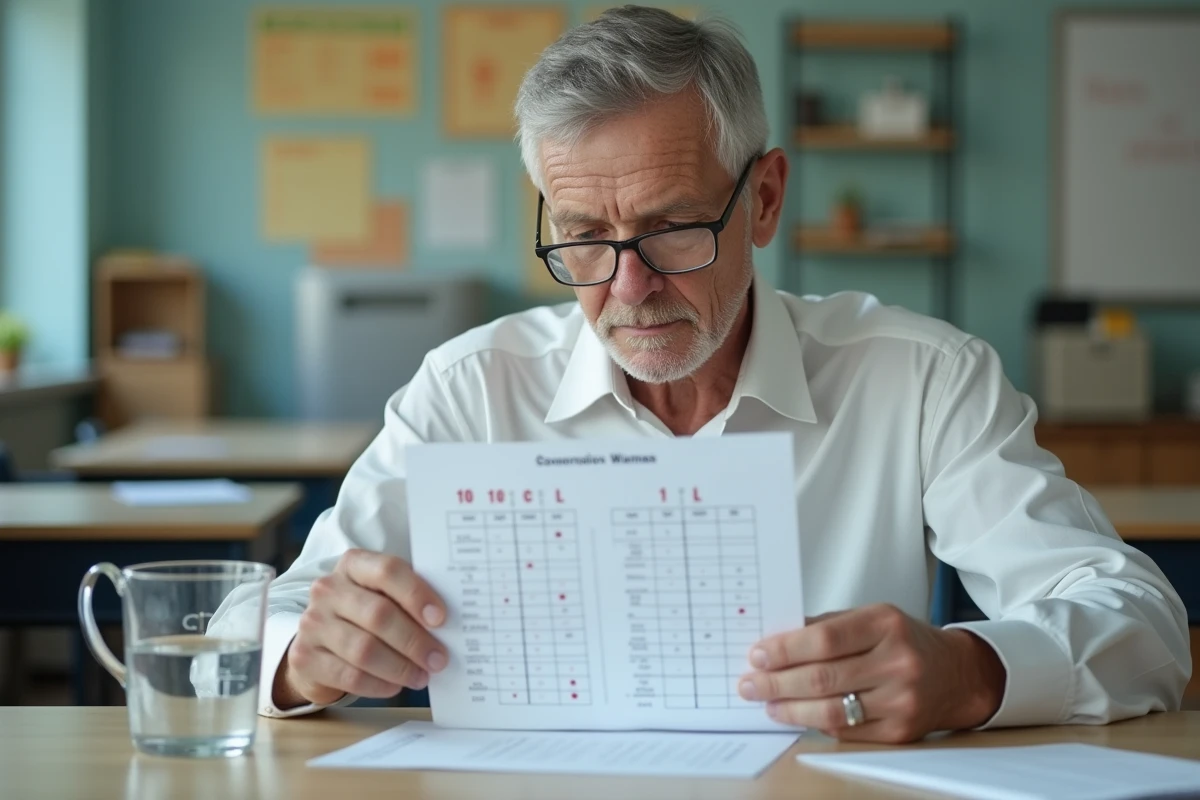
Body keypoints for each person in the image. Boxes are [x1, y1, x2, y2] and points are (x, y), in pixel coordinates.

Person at [226, 6, 1190, 743]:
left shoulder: (921, 379)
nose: (629, 287)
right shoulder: (471, 388)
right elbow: (240, 627)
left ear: (764, 198)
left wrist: (973, 669)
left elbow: (1142, 623)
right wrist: (300, 660)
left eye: (673, 227)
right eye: (584, 238)